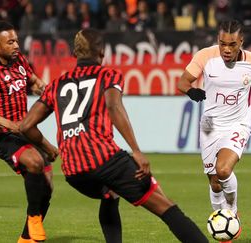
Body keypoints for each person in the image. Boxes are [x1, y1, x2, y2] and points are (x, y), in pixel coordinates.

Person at [19, 28, 208, 243]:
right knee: (164, 204)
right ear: (102, 52)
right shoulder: (108, 75)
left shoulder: (56, 85)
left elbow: (25, 126)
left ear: (74, 53)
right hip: (105, 160)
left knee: (110, 194)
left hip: (73, 170)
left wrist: (48, 147)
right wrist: (136, 150)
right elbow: (114, 106)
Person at [178, 19, 251, 242]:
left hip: (238, 124)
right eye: (222, 43)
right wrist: (191, 92)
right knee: (214, 182)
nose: (226, 49)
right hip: (209, 125)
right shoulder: (205, 56)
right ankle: (221, 220)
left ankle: (232, 212)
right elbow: (183, 81)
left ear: (241, 42)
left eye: (232, 44)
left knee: (223, 170)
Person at [0, 21, 57, 243]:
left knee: (47, 183)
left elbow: (36, 83)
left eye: (16, 40)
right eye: (10, 42)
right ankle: (35, 220)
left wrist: (51, 94)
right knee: (34, 162)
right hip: (3, 135)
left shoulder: (19, 61)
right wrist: (11, 125)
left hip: (25, 130)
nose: (16, 45)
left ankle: (27, 237)